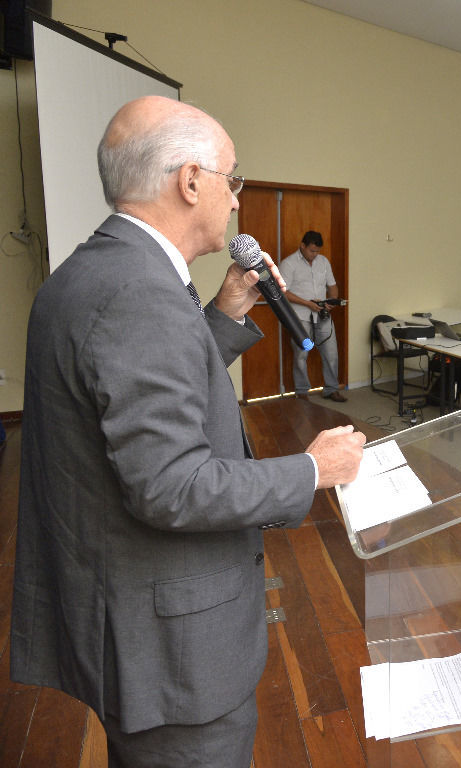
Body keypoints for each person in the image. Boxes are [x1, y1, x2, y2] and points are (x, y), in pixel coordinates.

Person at [10, 95, 366, 768]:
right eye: (232, 180)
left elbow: (139, 394)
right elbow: (171, 484)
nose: (235, 202)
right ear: (190, 181)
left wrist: (227, 311)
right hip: (171, 657)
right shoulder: (139, 295)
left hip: (123, 618)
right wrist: (312, 469)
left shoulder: (96, 272)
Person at [281, 230, 346, 401]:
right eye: (312, 250)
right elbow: (283, 293)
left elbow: (332, 285)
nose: (315, 254)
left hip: (323, 316)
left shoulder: (323, 262)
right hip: (300, 317)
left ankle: (331, 389)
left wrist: (332, 300)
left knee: (331, 353)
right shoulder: (289, 263)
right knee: (301, 355)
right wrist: (308, 303)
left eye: (317, 251)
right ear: (302, 246)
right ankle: (302, 392)